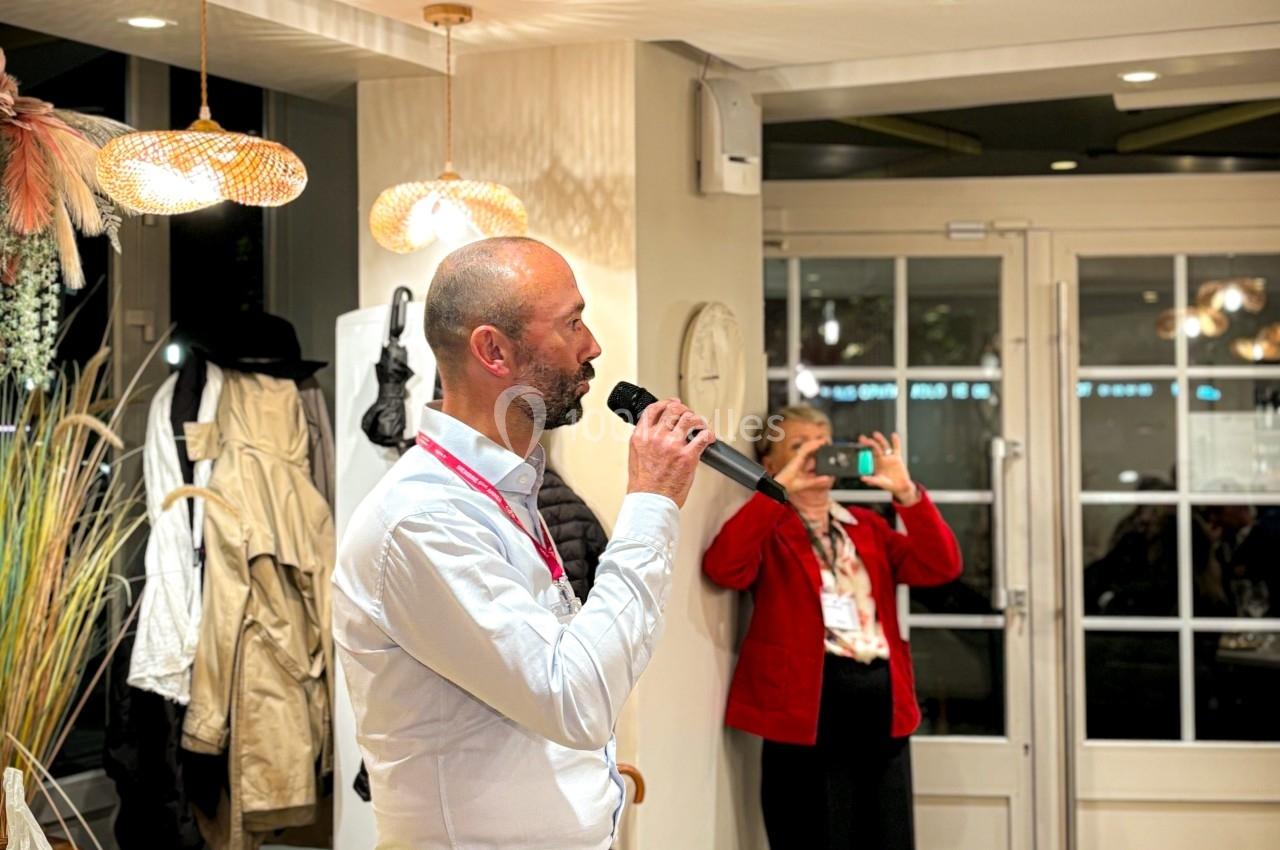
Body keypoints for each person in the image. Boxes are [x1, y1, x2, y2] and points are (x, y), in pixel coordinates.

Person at [332, 237, 715, 849]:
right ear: (493, 350)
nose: (593, 346)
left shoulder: (506, 489)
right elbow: (575, 698)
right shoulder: (423, 518)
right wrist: (651, 502)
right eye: (572, 323)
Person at [703, 405, 962, 850]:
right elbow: (725, 568)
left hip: (882, 704)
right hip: (807, 708)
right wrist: (776, 492)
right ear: (771, 464)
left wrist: (906, 493)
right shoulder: (769, 526)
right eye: (798, 448)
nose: (814, 459)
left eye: (822, 448)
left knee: (888, 834)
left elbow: (941, 566)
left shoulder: (866, 528)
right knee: (815, 833)